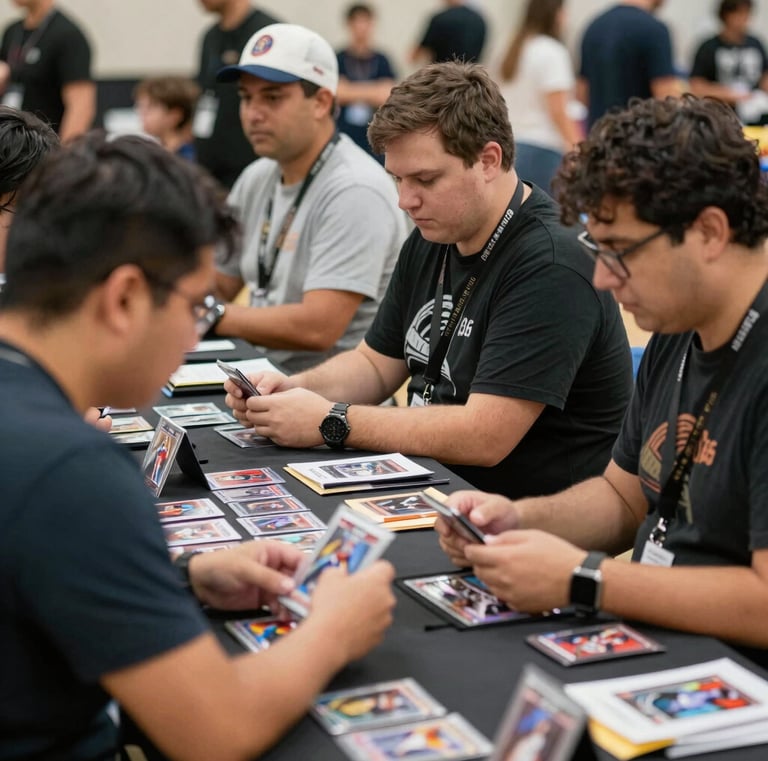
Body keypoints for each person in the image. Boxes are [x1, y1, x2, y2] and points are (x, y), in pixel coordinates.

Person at [0, 131, 395, 760]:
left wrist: (184, 578)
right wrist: (333, 631)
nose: (196, 335)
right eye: (196, 305)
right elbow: (215, 732)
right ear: (125, 296)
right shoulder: (73, 467)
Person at [437, 95, 768, 666]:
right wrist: (517, 519)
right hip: (661, 639)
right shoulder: (679, 320)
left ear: (710, 232)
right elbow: (623, 496)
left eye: (619, 251)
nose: (602, 278)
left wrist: (584, 578)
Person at [224, 61, 633, 501]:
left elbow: (485, 436)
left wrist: (331, 419)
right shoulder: (436, 231)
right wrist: (293, 390)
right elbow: (375, 365)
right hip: (430, 485)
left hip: (520, 523)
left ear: (488, 160)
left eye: (424, 179)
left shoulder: (552, 263)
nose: (405, 200)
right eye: (397, 179)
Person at [211, 23, 405, 373]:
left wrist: (211, 315)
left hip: (335, 403)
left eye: (272, 97)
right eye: (245, 97)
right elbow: (218, 282)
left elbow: (317, 327)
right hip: (260, 379)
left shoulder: (355, 189)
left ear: (321, 102)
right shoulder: (258, 175)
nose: (253, 113)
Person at [496, 0, 581, 193]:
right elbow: (558, 111)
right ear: (555, 14)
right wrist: (579, 150)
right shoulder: (552, 52)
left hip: (508, 147)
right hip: (541, 151)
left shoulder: (508, 48)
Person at [194, 0, 280, 188]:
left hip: (251, 168)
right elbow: (203, 98)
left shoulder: (268, 36)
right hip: (210, 169)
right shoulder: (210, 37)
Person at [578, 0, 680, 130]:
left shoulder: (593, 27)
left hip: (599, 141)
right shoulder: (655, 30)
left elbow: (582, 93)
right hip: (640, 141)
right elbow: (666, 98)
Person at [0, 0, 94, 141]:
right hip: (11, 143)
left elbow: (81, 107)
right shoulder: (12, 32)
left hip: (45, 147)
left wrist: (63, 155)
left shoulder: (68, 36)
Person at [690, 0, 768, 126]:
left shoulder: (756, 43)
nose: (744, 19)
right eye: (738, 13)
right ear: (726, 15)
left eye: (747, 14)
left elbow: (765, 76)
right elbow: (696, 86)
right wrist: (730, 95)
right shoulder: (708, 47)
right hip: (721, 116)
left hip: (756, 115)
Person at [336, 3, 396, 163]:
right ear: (349, 25)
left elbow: (387, 95)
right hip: (344, 133)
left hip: (374, 133)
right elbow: (336, 93)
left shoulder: (382, 60)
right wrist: (373, 90)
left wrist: (350, 90)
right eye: (357, 22)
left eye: (366, 22)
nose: (361, 27)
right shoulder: (339, 58)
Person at [134, 75, 201, 161]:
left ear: (175, 115)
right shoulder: (157, 152)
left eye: (150, 107)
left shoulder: (187, 159)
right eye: (140, 106)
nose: (142, 113)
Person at [410, 0, 486, 65]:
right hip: (470, 78)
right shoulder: (480, 21)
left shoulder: (440, 19)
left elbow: (416, 55)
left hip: (442, 77)